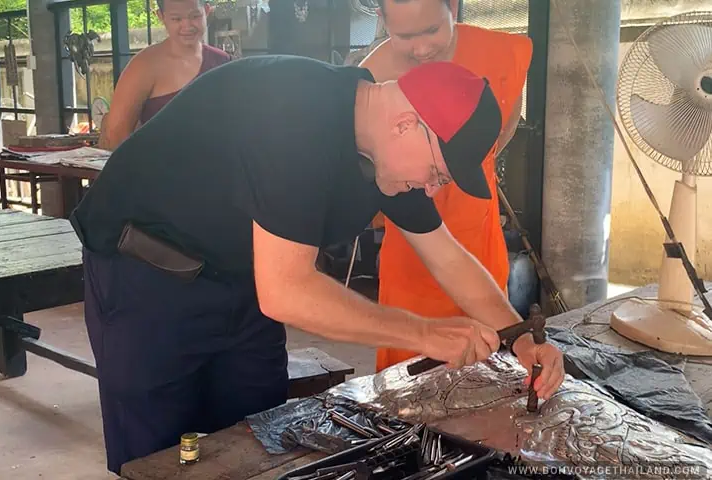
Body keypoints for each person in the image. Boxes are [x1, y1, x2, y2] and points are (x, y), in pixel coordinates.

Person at [70, 54, 564, 475]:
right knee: (159, 458)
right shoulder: (296, 116)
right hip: (146, 277)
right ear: (405, 124)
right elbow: (286, 291)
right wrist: (426, 335)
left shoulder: (381, 151)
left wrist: (517, 333)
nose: (432, 188)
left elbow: (447, 255)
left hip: (241, 281)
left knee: (256, 445)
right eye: (436, 172)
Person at [359, 0, 537, 373]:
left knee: (486, 353)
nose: (421, 49)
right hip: (410, 232)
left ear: (453, 8)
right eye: (405, 36)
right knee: (409, 370)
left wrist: (455, 167)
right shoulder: (369, 79)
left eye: (432, 31)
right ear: (382, 20)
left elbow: (502, 129)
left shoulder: (502, 54)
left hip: (475, 217)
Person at [97, 0, 232, 151]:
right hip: (157, 169)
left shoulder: (222, 61)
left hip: (216, 167)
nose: (187, 26)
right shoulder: (143, 66)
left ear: (207, 11)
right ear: (160, 16)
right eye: (176, 19)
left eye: (195, 16)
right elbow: (116, 135)